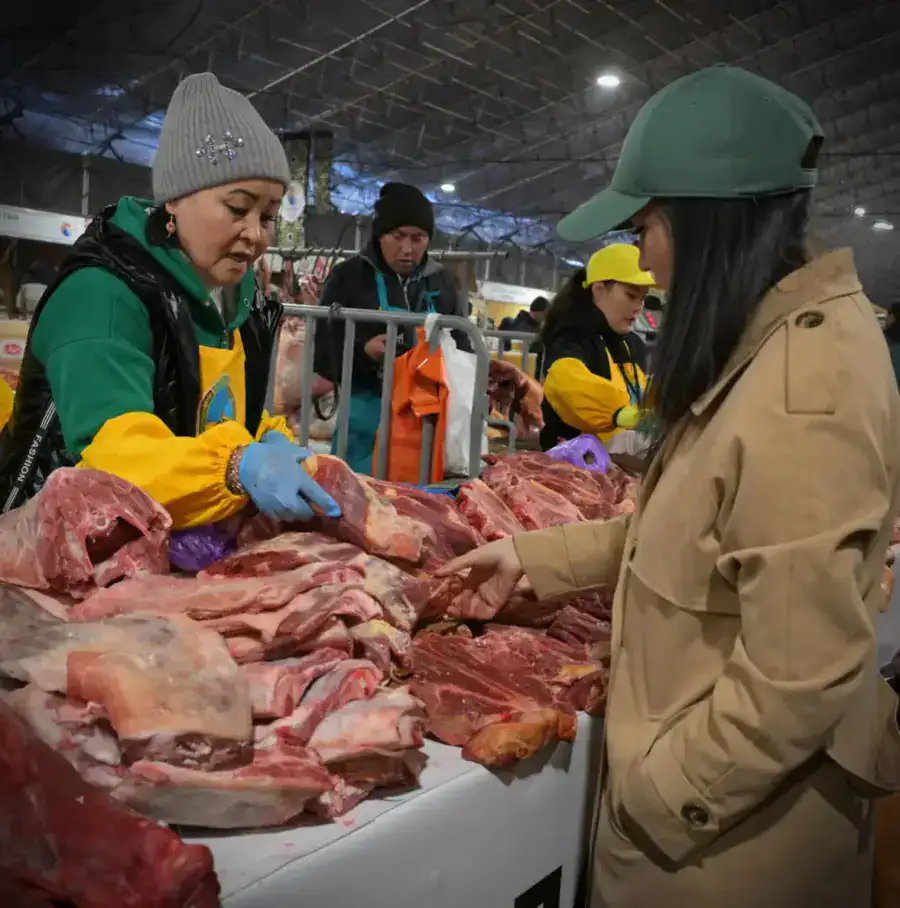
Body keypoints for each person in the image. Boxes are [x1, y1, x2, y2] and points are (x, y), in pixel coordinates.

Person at [436, 65, 900, 907]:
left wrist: (656, 794)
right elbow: (702, 532)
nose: (643, 257)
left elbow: (802, 674)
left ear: (707, 225)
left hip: (725, 857)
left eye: (648, 225)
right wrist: (536, 559)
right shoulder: (765, 352)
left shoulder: (804, 391)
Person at [0, 72, 339, 526]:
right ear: (175, 200)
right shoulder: (101, 296)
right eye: (238, 209)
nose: (256, 235)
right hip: (52, 543)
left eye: (269, 216)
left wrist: (268, 438)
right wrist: (239, 465)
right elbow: (118, 456)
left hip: (156, 538)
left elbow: (221, 410)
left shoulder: (228, 298)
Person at [313, 182, 468, 474]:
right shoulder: (349, 278)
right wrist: (363, 353)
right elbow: (322, 351)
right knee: (355, 501)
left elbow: (463, 345)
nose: (407, 249)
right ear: (381, 235)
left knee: (416, 506)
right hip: (364, 416)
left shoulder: (442, 283)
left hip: (425, 419)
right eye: (398, 236)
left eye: (418, 238)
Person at [538, 243, 654, 451]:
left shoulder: (632, 344)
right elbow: (565, 380)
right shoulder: (572, 337)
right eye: (630, 295)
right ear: (598, 290)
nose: (638, 307)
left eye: (642, 298)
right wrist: (617, 413)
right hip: (577, 462)